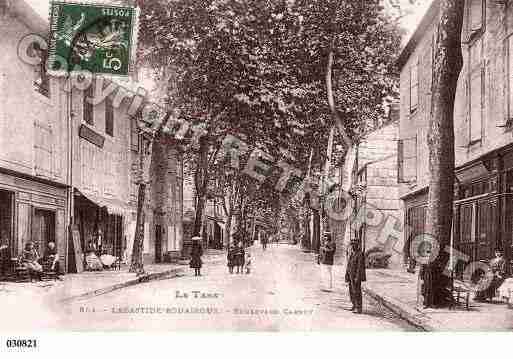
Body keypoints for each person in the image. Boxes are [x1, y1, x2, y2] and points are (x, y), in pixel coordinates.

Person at [345, 239, 366, 313]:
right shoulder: (352, 253)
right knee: (351, 291)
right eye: (352, 245)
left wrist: (357, 277)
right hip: (351, 275)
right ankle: (354, 305)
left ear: (357, 245)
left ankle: (359, 308)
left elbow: (360, 267)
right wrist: (347, 275)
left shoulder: (360, 254)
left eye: (354, 245)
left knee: (357, 292)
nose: (352, 246)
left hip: (356, 276)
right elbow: (349, 265)